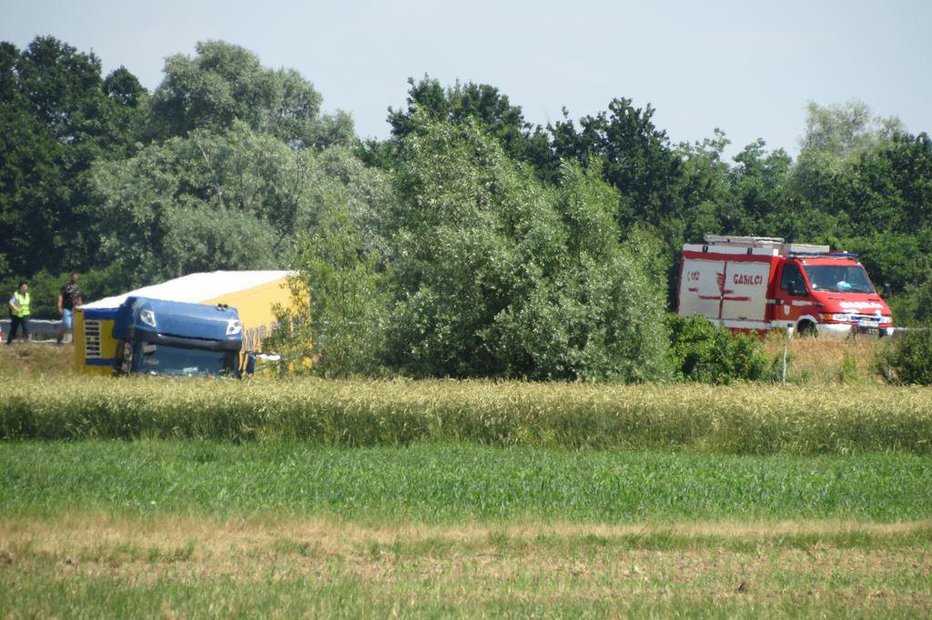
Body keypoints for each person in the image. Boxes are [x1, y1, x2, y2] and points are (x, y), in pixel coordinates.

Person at [57, 271, 83, 344]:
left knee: (76, 326)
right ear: (71, 277)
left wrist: (81, 306)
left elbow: (79, 298)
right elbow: (60, 297)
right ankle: (60, 337)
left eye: (76, 277)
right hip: (67, 308)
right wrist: (59, 307)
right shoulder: (65, 287)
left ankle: (74, 342)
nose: (75, 278)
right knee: (67, 325)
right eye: (74, 277)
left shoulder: (78, 287)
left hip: (75, 309)